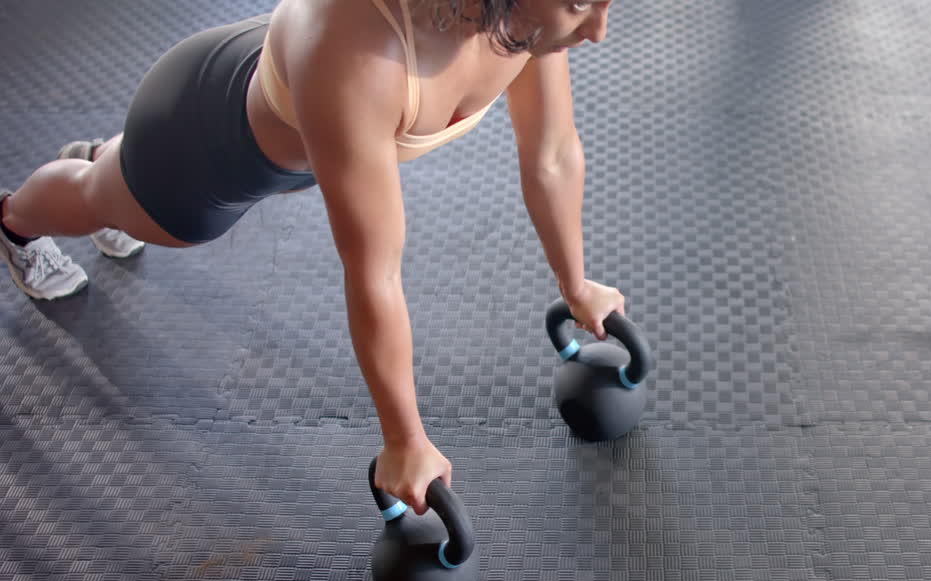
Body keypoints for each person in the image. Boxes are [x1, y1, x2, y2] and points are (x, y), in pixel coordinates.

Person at [0, 0, 625, 514]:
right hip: (206, 152)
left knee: (126, 179)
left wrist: (578, 287)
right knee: (117, 205)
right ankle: (22, 218)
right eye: (580, 6)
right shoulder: (360, 48)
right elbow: (373, 269)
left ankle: (114, 165)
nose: (597, 31)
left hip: (302, 134)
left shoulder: (524, 21)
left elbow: (551, 156)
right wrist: (404, 442)